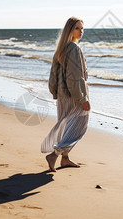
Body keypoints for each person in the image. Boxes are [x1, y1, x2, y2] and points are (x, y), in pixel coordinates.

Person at [41, 17, 90, 172]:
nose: (81, 31)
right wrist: (82, 99)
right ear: (69, 30)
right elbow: (75, 77)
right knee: (79, 126)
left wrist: (55, 92)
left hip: (63, 95)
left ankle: (65, 159)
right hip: (73, 96)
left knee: (65, 127)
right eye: (77, 28)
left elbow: (53, 75)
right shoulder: (74, 49)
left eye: (82, 28)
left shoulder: (61, 48)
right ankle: (54, 154)